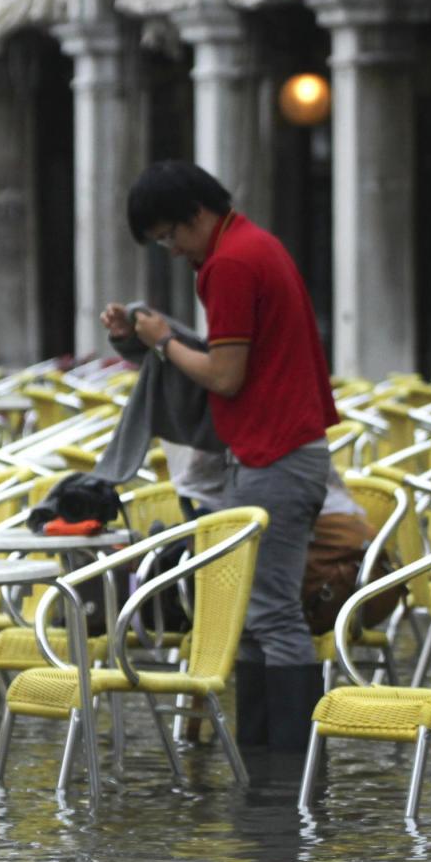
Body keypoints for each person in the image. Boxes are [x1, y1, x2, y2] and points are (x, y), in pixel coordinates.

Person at [100, 160, 338, 759]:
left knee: (273, 614)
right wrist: (143, 337)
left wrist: (160, 340)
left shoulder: (231, 263)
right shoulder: (253, 246)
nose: (172, 250)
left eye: (170, 235)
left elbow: (225, 375)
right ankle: (263, 760)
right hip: (276, 453)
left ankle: (291, 769)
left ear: (196, 215)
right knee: (256, 616)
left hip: (275, 456)